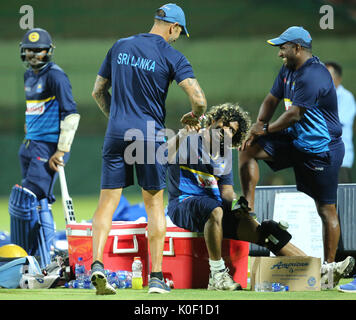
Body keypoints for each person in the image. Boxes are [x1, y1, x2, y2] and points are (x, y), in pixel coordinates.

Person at [90, 3, 207, 295]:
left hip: (116, 133)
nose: (178, 37)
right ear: (173, 27)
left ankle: (96, 266)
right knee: (153, 204)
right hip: (148, 136)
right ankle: (156, 278)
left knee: (106, 203)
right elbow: (199, 98)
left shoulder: (120, 45)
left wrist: (116, 120)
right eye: (179, 32)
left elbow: (97, 91)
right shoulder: (172, 55)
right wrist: (195, 116)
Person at [237, 26, 355, 289]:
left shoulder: (314, 75)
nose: (280, 53)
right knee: (248, 149)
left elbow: (294, 114)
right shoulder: (288, 69)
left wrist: (265, 129)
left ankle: (329, 268)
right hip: (294, 138)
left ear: (298, 48)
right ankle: (247, 211)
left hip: (320, 149)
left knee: (326, 209)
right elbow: (271, 99)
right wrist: (258, 125)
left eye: (283, 47)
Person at [166, 102, 308, 290]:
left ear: (234, 137)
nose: (224, 129)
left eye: (231, 129)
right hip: (183, 204)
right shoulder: (190, 140)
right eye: (222, 124)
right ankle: (217, 275)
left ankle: (314, 268)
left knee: (267, 231)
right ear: (211, 122)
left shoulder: (224, 155)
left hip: (214, 211)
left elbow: (226, 191)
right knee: (214, 209)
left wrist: (237, 205)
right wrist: (183, 133)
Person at [8, 28, 80, 268]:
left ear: (49, 50)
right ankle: (38, 258)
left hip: (48, 146)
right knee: (37, 202)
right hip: (29, 145)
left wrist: (61, 150)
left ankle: (42, 256)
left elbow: (71, 114)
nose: (34, 54)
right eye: (30, 49)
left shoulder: (56, 76)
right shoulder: (28, 76)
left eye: (39, 50)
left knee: (28, 198)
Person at [325, 61, 356, 183]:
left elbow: (336, 124)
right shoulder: (319, 97)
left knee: (342, 199)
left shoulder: (346, 97)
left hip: (340, 160)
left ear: (338, 79)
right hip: (321, 159)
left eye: (328, 76)